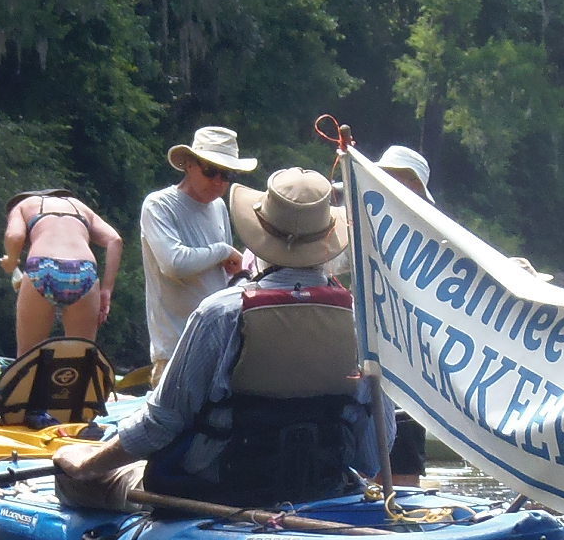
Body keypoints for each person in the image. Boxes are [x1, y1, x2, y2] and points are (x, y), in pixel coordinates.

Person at [57, 167, 380, 510]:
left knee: (68, 473)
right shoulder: (363, 323)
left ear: (259, 237)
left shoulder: (220, 313)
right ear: (328, 241)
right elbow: (376, 450)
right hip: (322, 486)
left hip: (217, 488)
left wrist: (85, 465)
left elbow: (159, 425)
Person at [140, 126, 256, 364]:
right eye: (211, 171)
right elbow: (174, 264)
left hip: (219, 345)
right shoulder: (159, 205)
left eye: (227, 175)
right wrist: (223, 251)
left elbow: (220, 273)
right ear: (190, 164)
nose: (218, 182)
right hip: (175, 348)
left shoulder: (219, 207)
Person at [373, 144, 434, 485]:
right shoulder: (365, 222)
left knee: (405, 470)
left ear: (414, 186)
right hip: (371, 362)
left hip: (412, 365)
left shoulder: (430, 237)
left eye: (397, 179)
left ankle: (401, 524)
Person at [2, 189, 124, 356]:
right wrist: (106, 290)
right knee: (80, 359)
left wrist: (11, 260)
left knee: (27, 356)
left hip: (42, 267)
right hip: (84, 270)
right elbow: (115, 240)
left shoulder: (22, 205)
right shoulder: (80, 207)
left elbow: (15, 236)